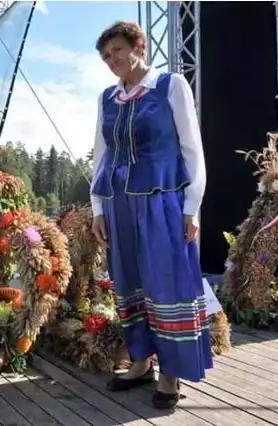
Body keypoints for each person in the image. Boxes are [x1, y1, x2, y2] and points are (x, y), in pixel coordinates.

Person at [90, 21, 212, 409]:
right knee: (128, 282)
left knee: (167, 283)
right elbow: (101, 155)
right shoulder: (107, 98)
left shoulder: (170, 86)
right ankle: (141, 361)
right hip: (119, 203)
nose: (113, 61)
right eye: (107, 57)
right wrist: (97, 208)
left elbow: (192, 149)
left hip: (162, 199)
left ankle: (171, 374)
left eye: (118, 52)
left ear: (138, 46)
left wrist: (191, 207)